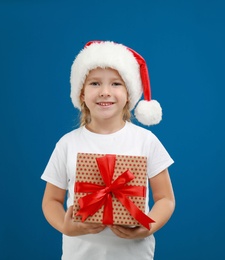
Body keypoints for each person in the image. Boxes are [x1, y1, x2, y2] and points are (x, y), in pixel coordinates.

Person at [41, 41, 175, 260]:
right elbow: (51, 201)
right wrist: (67, 228)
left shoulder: (146, 141)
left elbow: (165, 199)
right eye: (94, 83)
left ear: (129, 94)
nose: (105, 92)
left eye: (116, 84)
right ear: (81, 93)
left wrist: (148, 226)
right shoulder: (67, 144)